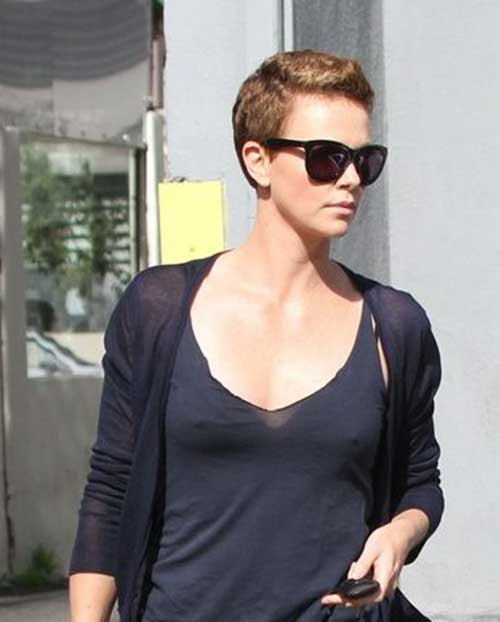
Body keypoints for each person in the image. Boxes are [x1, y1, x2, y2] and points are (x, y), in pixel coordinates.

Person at [68, 50, 444, 622]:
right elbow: (110, 492)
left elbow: (421, 485)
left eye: (365, 161)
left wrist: (398, 534)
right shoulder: (158, 310)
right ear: (258, 160)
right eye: (327, 158)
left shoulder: (392, 325)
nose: (350, 178)